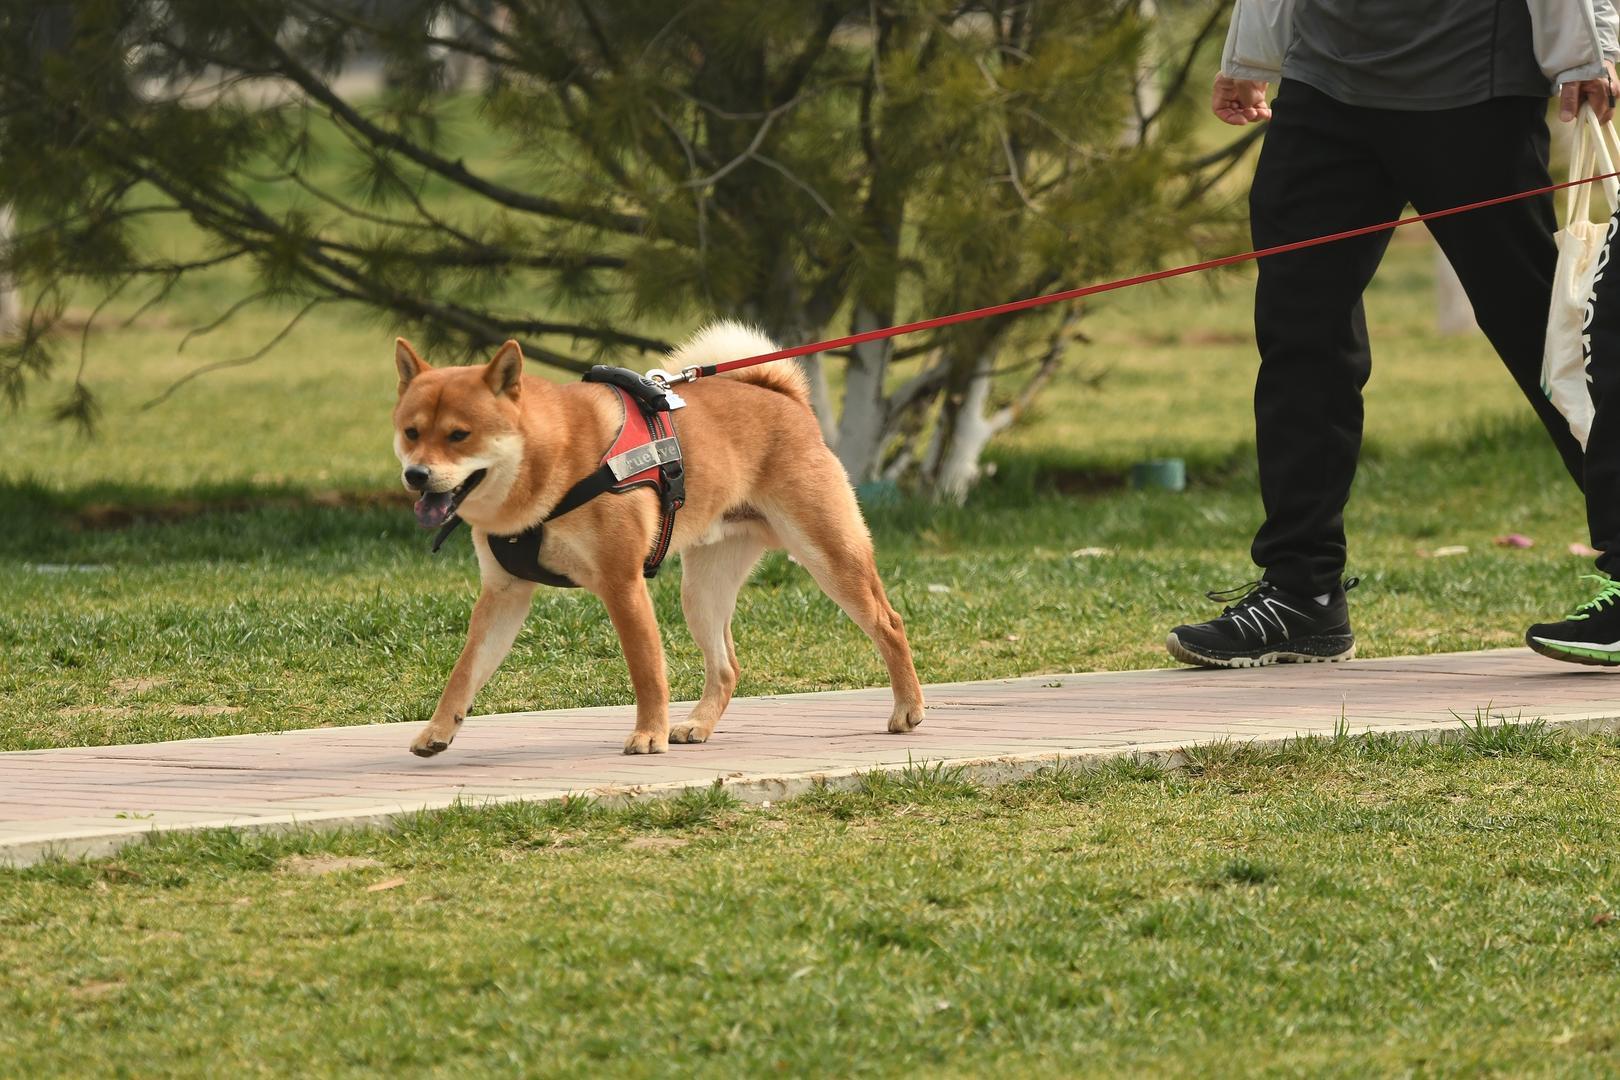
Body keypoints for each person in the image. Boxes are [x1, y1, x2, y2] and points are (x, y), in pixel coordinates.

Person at [1166, 0, 1620, 669]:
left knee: (1545, 337)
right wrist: (1249, 53)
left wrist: (1593, 48)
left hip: (1473, 83)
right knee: (1300, 331)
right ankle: (1302, 593)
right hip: (1325, 84)